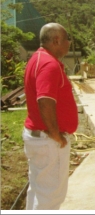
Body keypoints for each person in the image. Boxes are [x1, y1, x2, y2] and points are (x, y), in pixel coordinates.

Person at [22, 22, 78, 210]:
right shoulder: (49, 64)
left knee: (38, 190)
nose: (69, 43)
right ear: (56, 40)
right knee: (50, 197)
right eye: (66, 39)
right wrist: (55, 134)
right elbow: (45, 100)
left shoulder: (38, 59)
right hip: (48, 141)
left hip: (39, 138)